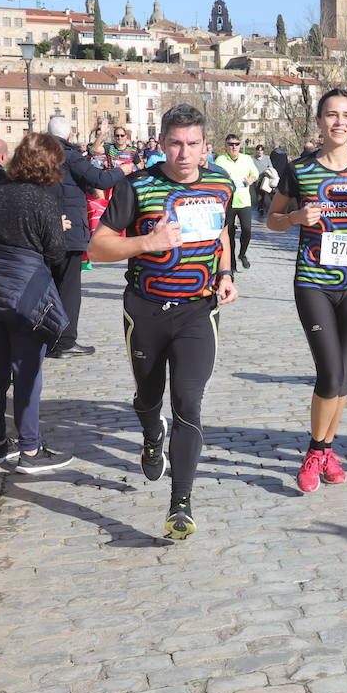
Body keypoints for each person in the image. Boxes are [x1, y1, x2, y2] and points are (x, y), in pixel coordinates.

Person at [88, 103, 238, 540]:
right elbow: (97, 247)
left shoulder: (220, 184)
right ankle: (152, 434)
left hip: (198, 310)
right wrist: (148, 242)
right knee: (149, 396)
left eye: (192, 144)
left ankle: (181, 504)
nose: (184, 153)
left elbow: (221, 232)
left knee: (188, 402)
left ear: (206, 146)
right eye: (175, 143)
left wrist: (226, 274)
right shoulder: (136, 186)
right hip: (146, 311)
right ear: (162, 143)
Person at [267, 89, 347, 493]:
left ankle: (326, 449)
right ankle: (315, 451)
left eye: (346, 115)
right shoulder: (300, 170)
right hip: (313, 282)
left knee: (344, 375)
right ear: (319, 122)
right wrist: (296, 217)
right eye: (332, 115)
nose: (339, 122)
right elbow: (271, 220)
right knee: (330, 372)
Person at [0, 132, 73, 473]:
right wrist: (58, 228)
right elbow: (55, 253)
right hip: (25, 292)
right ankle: (30, 450)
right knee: (27, 372)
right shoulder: (43, 199)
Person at [48, 114, 134, 358]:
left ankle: (49, 337)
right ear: (69, 135)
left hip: (45, 227)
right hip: (69, 231)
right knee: (69, 289)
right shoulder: (69, 155)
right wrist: (122, 170)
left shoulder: (40, 154)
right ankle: (65, 342)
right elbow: (100, 179)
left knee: (51, 286)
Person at [212, 133, 259, 270]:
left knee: (247, 231)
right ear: (226, 146)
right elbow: (214, 176)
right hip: (228, 202)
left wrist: (251, 179)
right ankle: (231, 264)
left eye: (237, 144)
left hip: (244, 201)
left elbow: (255, 173)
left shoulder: (246, 159)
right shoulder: (220, 160)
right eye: (231, 144)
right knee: (229, 234)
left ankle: (242, 254)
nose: (234, 147)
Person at [252, 143, 274, 216]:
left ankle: (267, 207)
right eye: (258, 150)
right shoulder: (253, 159)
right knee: (259, 194)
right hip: (257, 179)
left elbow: (271, 167)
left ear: (263, 151)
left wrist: (269, 173)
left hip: (265, 179)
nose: (259, 152)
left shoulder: (267, 158)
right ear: (256, 151)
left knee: (266, 193)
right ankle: (260, 207)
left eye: (261, 150)